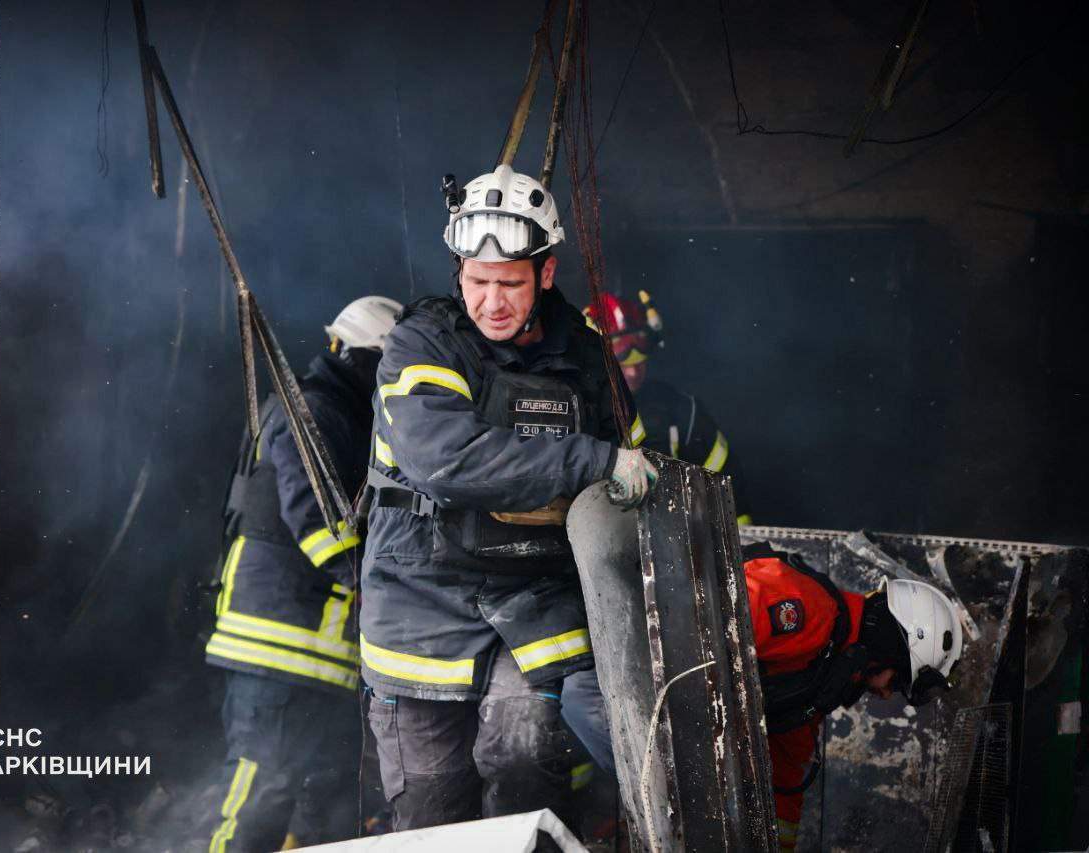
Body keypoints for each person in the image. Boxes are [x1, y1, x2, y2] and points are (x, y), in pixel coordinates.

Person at [359, 163, 654, 831]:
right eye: (477, 280)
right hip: (419, 596)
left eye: (511, 284)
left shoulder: (585, 358)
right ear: (459, 268)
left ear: (546, 274)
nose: (492, 301)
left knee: (523, 760)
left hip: (533, 598)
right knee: (432, 803)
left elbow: (633, 477)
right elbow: (449, 460)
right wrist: (593, 458)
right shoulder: (422, 342)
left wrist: (628, 472)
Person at [561, 542, 966, 851]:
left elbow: (784, 785)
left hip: (654, 711)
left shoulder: (822, 674)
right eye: (895, 681)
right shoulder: (810, 611)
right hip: (611, 676)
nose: (883, 694)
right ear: (893, 645)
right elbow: (687, 629)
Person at [205, 295, 402, 853]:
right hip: (279, 650)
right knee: (259, 799)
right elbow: (311, 512)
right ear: (369, 361)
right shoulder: (312, 413)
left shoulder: (345, 417)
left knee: (328, 813)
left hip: (316, 657)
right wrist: (377, 582)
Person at [583, 291, 750, 522]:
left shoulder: (683, 411)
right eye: (623, 362)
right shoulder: (580, 409)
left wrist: (744, 549)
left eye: (640, 361)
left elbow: (728, 491)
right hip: (595, 537)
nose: (633, 371)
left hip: (670, 539)